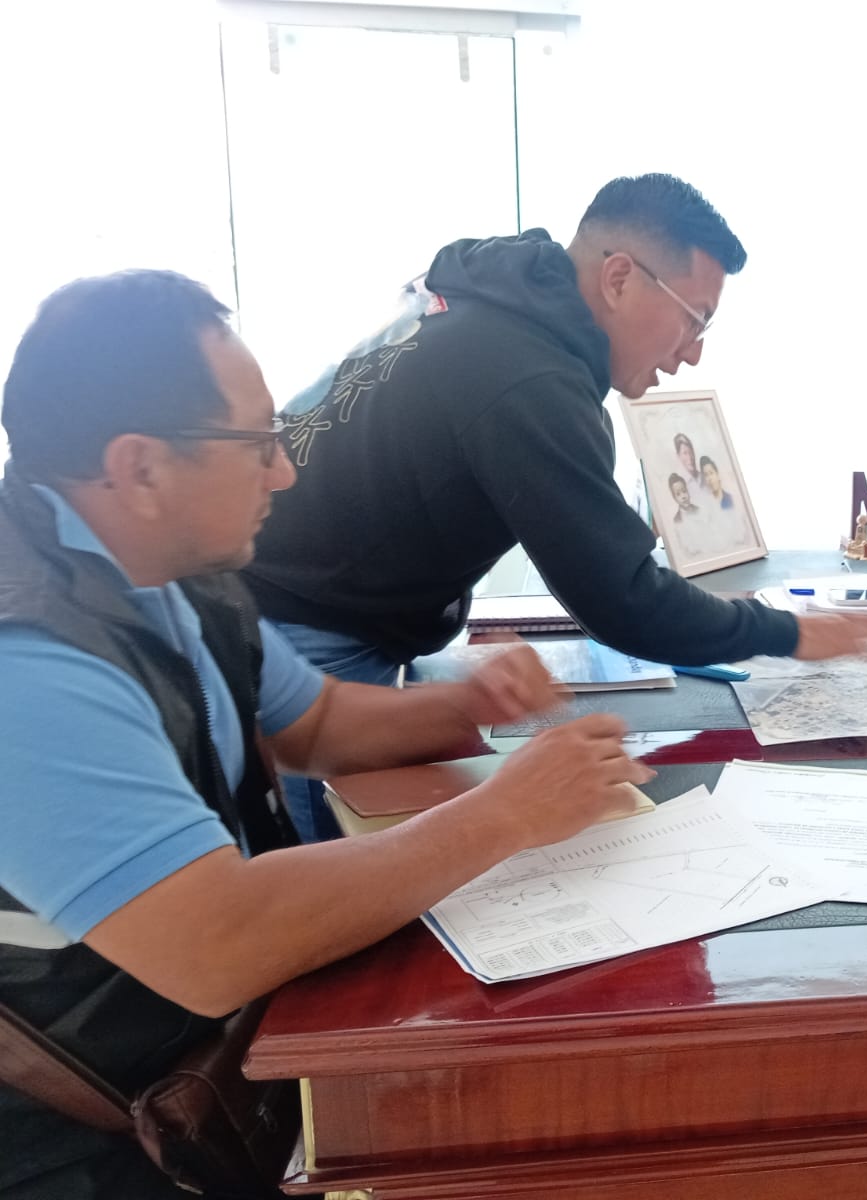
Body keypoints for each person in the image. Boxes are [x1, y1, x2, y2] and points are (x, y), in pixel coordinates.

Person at [0, 270, 654, 1199]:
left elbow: (314, 723)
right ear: (139, 469)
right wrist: (506, 814)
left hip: (192, 1075)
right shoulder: (27, 659)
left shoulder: (168, 569)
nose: (285, 471)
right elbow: (217, 943)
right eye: (257, 442)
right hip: (85, 1139)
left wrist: (472, 705)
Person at [238, 172, 867, 840]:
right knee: (343, 870)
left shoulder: (491, 303)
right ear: (620, 278)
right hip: (307, 625)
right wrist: (789, 632)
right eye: (694, 320)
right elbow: (624, 600)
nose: (693, 352)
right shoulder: (530, 373)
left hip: (296, 596)